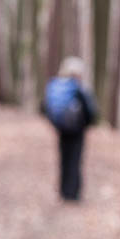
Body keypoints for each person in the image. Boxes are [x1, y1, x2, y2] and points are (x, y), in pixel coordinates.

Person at [42, 57, 99, 201]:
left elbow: (44, 107)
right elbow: (90, 112)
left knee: (64, 159)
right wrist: (87, 124)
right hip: (77, 131)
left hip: (62, 130)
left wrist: (56, 124)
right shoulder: (79, 90)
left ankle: (63, 191)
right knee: (75, 159)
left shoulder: (57, 87)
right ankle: (72, 193)